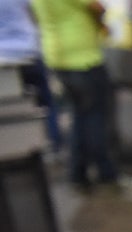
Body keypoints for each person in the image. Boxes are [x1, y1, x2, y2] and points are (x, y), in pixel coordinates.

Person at [29, 0, 117, 189]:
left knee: (77, 116)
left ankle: (78, 174)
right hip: (84, 58)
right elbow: (97, 7)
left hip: (56, 58)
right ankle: (106, 173)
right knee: (95, 117)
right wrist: (102, 25)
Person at [0, 0, 63, 154]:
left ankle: (13, 148)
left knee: (9, 110)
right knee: (45, 103)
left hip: (4, 59)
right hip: (28, 51)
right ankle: (53, 147)